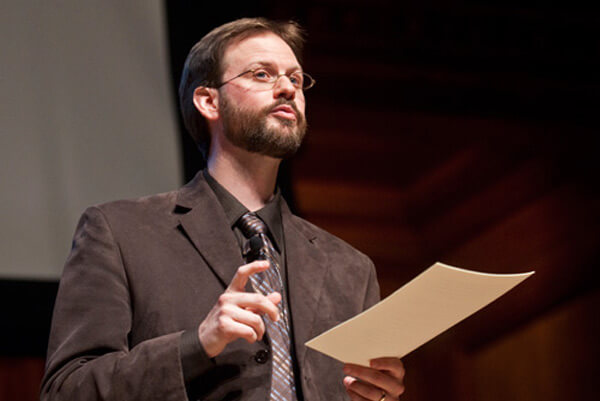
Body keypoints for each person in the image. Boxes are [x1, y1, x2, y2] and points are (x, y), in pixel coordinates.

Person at [41, 18, 405, 401]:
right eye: (262, 74)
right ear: (208, 101)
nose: (286, 88)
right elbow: (67, 391)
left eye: (296, 80)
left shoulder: (351, 268)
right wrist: (196, 345)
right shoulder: (119, 233)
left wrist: (379, 394)